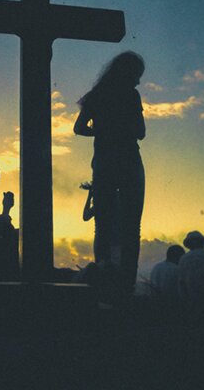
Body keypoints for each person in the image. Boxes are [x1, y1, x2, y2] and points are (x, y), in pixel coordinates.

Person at [74, 51, 146, 294]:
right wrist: (121, 129)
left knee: (102, 224)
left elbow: (79, 128)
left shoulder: (96, 96)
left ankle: (103, 277)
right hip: (128, 161)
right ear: (129, 73)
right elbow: (140, 132)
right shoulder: (131, 95)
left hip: (103, 162)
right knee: (131, 225)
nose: (138, 81)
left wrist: (102, 131)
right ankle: (127, 283)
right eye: (137, 76)